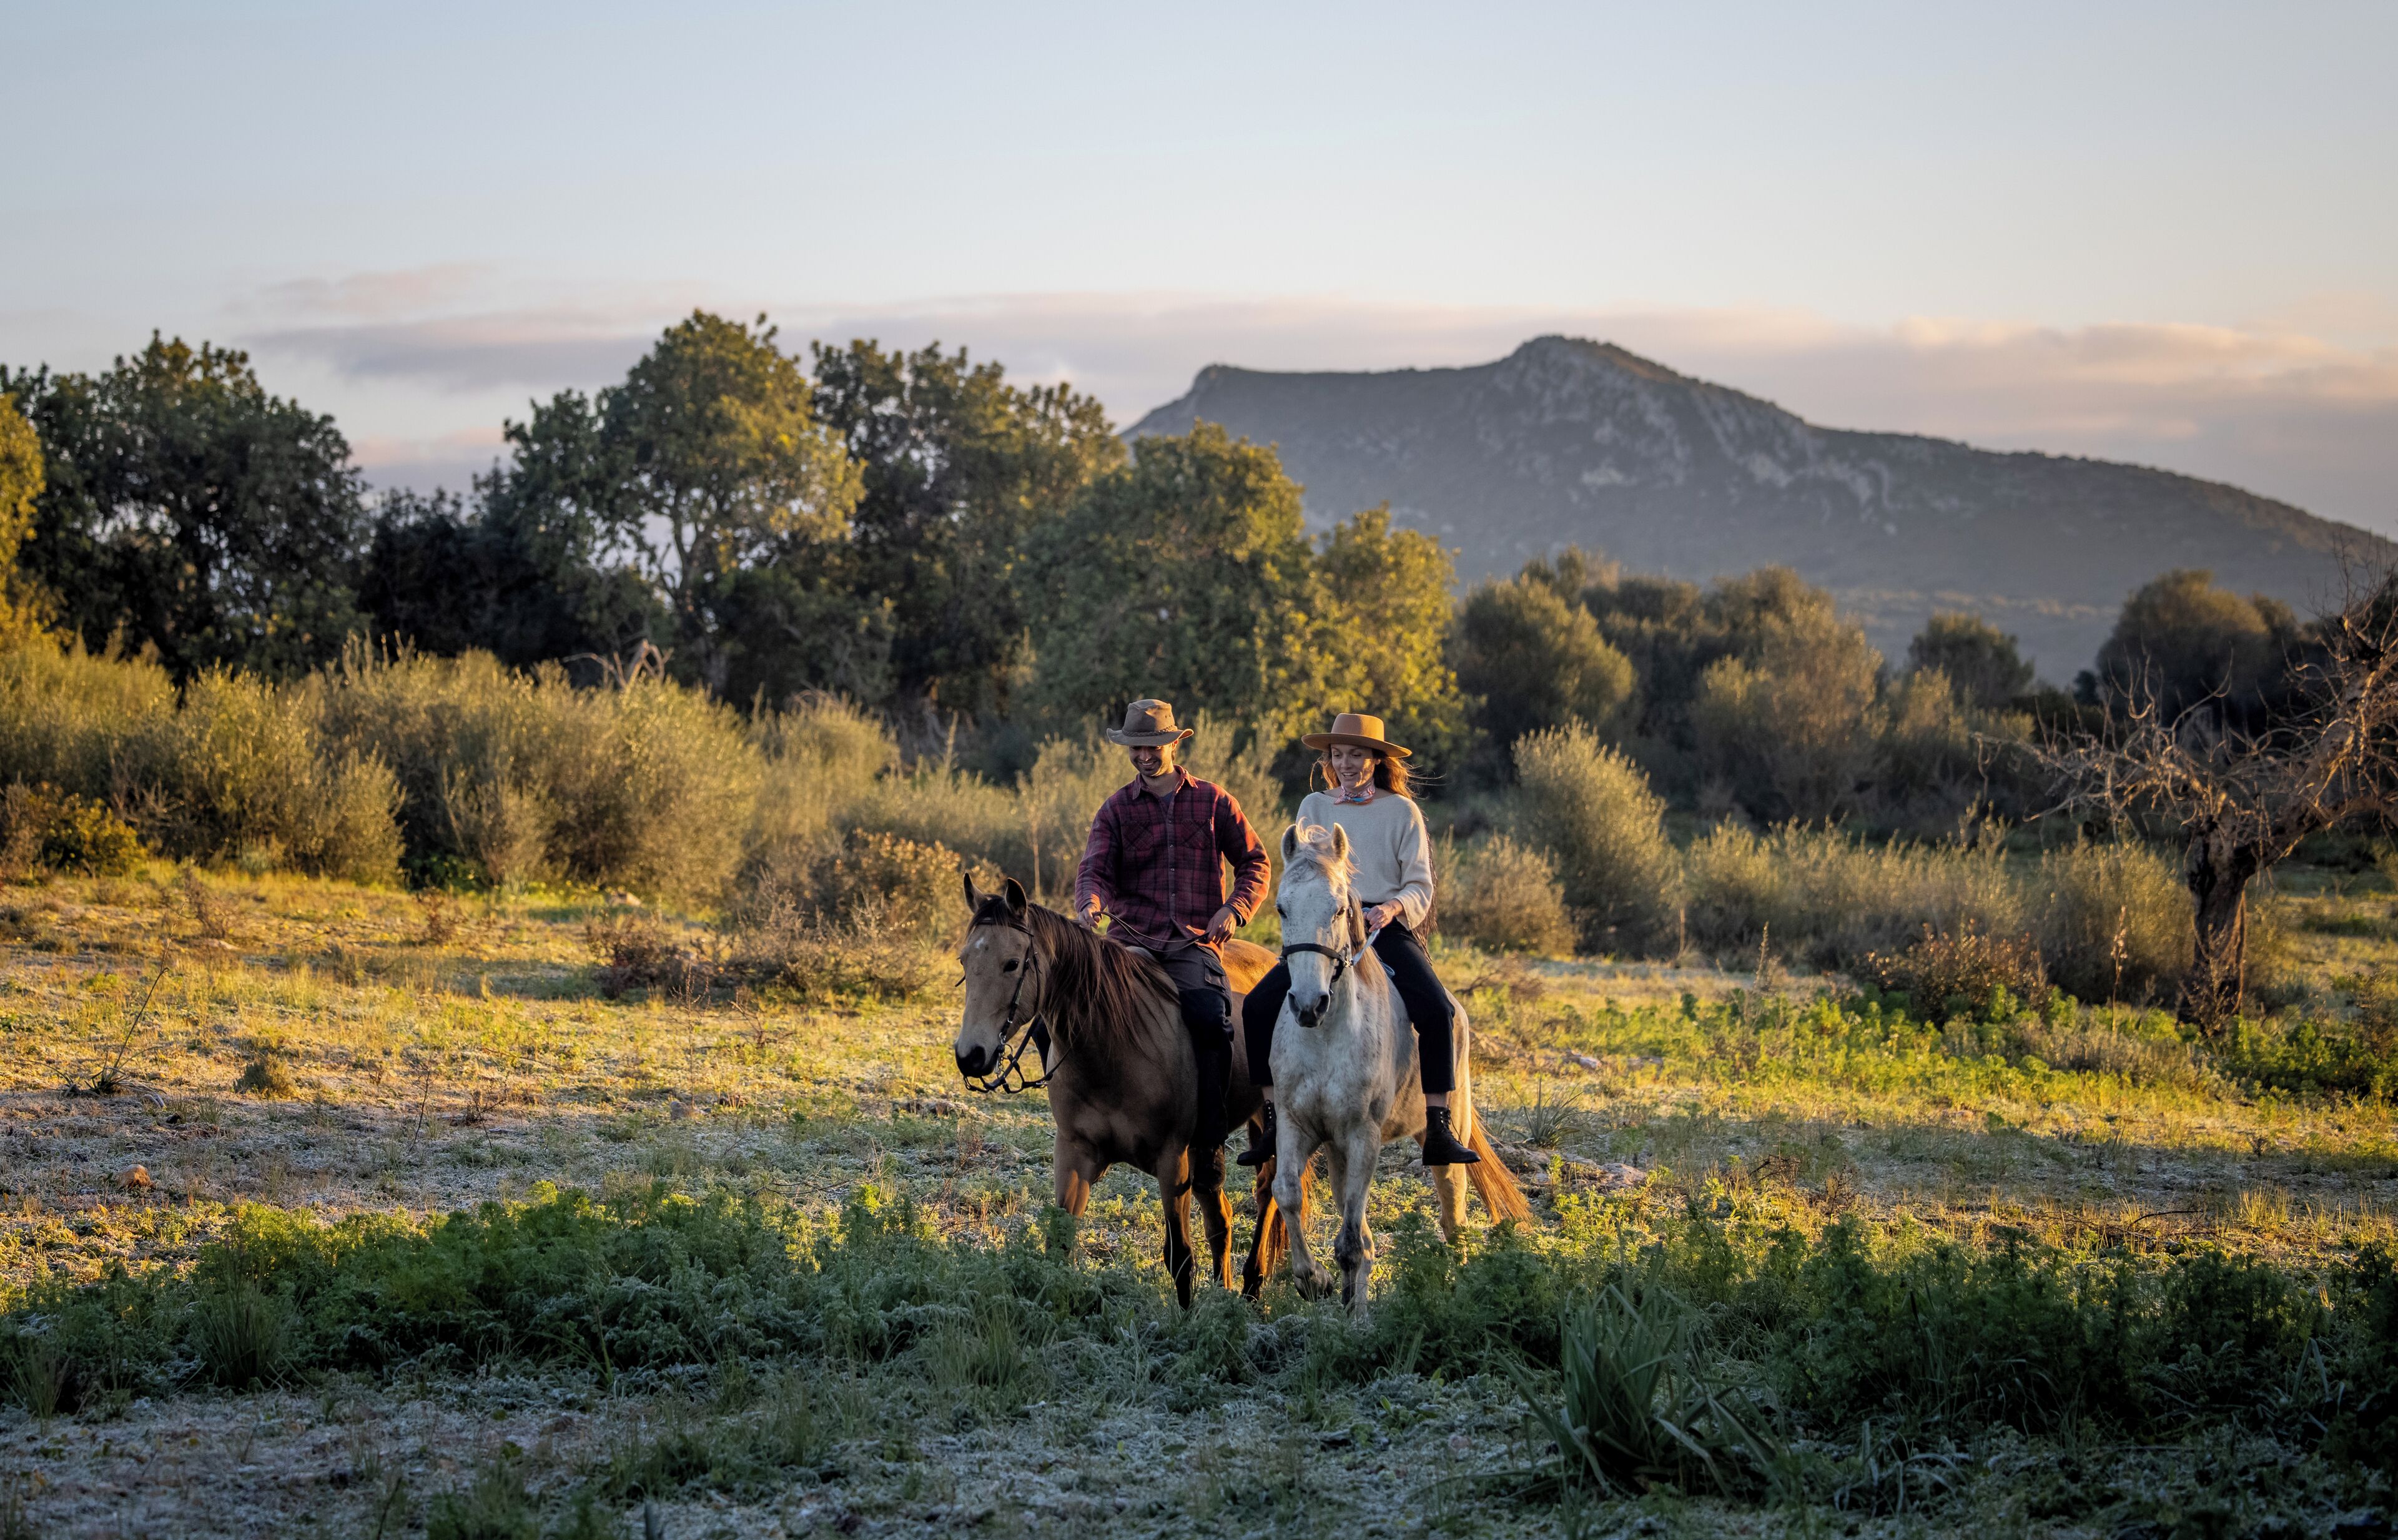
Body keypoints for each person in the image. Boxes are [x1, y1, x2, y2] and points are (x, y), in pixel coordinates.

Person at [1238, 712, 1479, 1167]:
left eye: (1356, 755)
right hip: (1326, 925)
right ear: (1329, 759)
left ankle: (1439, 1123)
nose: (1346, 763)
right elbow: (1304, 870)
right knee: (1255, 1007)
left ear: (1376, 759)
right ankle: (1272, 1118)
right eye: (1338, 755)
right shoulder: (1314, 805)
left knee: (1438, 1009)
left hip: (1383, 927)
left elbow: (1420, 885)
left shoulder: (1401, 811)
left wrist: (1390, 909)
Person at [1074, 699, 1273, 1169]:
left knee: (1211, 1022)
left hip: (1191, 942)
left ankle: (1208, 1140)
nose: (1144, 756)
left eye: (1152, 746)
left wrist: (1234, 908)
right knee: (1066, 1014)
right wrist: (1090, 904)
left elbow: (1255, 863)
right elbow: (1094, 870)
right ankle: (1089, 1118)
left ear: (1173, 743)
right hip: (1129, 941)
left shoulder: (1213, 801)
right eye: (1135, 748)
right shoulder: (1116, 810)